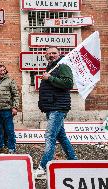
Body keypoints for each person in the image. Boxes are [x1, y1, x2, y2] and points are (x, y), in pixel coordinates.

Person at [34, 46, 77, 179]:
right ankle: (74, 160)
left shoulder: (63, 65)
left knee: (50, 136)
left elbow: (68, 83)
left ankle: (43, 167)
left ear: (59, 54)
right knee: (61, 136)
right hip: (52, 107)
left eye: (54, 53)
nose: (51, 55)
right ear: (46, 56)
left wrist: (50, 78)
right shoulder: (52, 67)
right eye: (49, 54)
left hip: (58, 107)